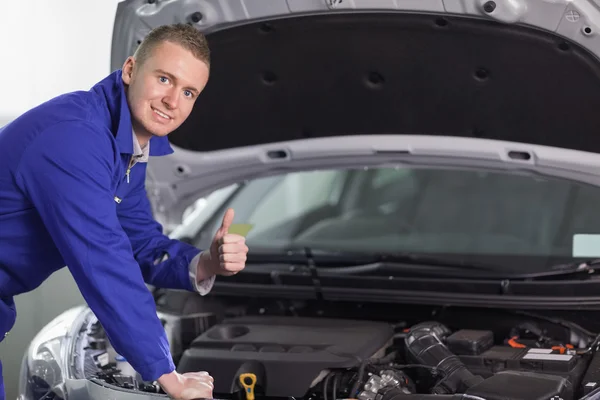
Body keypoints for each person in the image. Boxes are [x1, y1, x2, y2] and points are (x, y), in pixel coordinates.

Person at [0, 23, 247, 400]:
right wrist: (167, 374)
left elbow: (140, 242)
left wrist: (205, 264)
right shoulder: (75, 137)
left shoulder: (126, 150)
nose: (173, 101)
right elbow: (105, 260)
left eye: (188, 92)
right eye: (164, 78)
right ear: (130, 70)